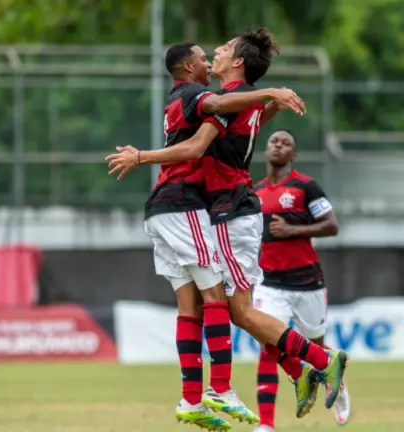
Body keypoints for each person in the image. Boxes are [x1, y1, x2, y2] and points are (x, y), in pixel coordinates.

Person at [107, 27, 349, 419]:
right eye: (207, 52)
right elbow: (247, 116)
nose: (212, 54)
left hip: (231, 209)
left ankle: (319, 361)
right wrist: (271, 98)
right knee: (232, 309)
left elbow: (196, 146)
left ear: (236, 62)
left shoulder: (223, 101)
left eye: (219, 50)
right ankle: (297, 369)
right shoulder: (230, 100)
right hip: (224, 208)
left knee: (235, 308)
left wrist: (141, 157)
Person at [251, 130, 350, 431]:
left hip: (307, 282)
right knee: (268, 344)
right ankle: (266, 424)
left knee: (316, 346)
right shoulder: (254, 193)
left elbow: (332, 226)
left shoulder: (306, 187)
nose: (278, 145)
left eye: (286, 143)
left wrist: (293, 230)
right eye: (273, 141)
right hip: (269, 283)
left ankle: (339, 385)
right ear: (265, 151)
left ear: (293, 155)